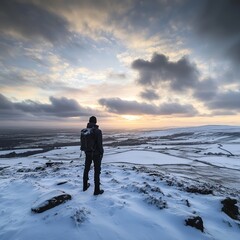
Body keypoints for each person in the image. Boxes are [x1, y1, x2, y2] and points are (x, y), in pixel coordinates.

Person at [82, 116, 104, 195]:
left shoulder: (84, 131)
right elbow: (99, 144)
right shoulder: (98, 131)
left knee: (86, 169)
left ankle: (84, 186)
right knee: (97, 171)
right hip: (96, 154)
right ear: (96, 122)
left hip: (87, 153)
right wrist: (101, 152)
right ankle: (96, 190)